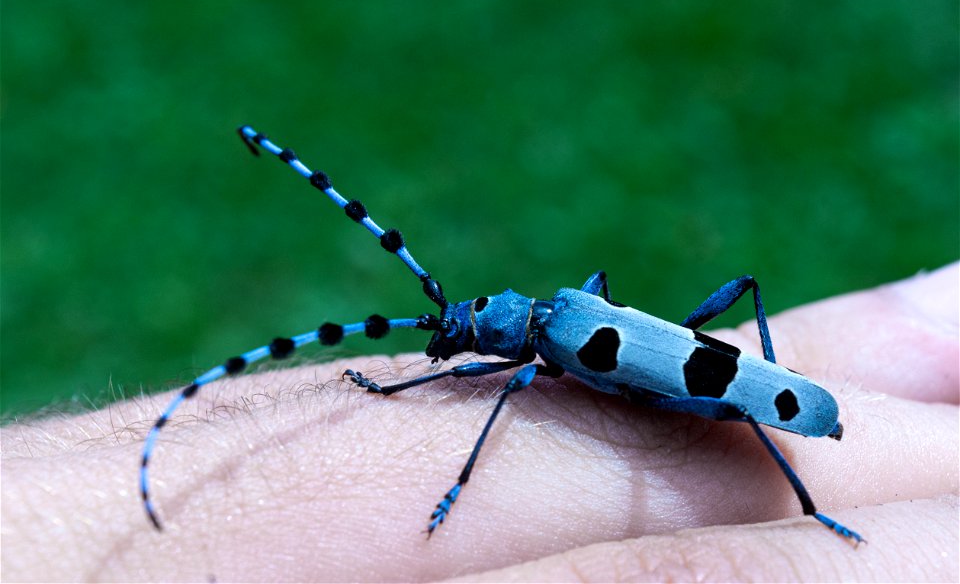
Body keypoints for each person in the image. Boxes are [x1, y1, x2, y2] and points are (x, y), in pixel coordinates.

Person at [2, 263, 957, 582]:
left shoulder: (528, 360)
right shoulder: (555, 317)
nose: (452, 343)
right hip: (661, 355)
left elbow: (502, 384)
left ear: (493, 332)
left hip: (735, 394)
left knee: (745, 407)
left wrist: (455, 478)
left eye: (457, 334)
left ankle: (808, 492)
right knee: (735, 351)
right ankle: (773, 392)